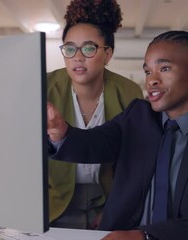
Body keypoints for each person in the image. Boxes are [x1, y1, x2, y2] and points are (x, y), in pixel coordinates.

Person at [47, 30, 188, 240]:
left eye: (164, 68)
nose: (152, 81)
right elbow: (94, 143)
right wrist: (60, 131)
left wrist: (146, 236)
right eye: (148, 72)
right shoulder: (138, 116)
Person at [47, 0, 143, 229]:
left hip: (109, 201)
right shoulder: (45, 88)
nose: (78, 57)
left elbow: (135, 162)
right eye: (70, 48)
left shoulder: (128, 92)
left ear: (107, 53)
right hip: (53, 202)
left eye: (89, 48)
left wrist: (115, 210)